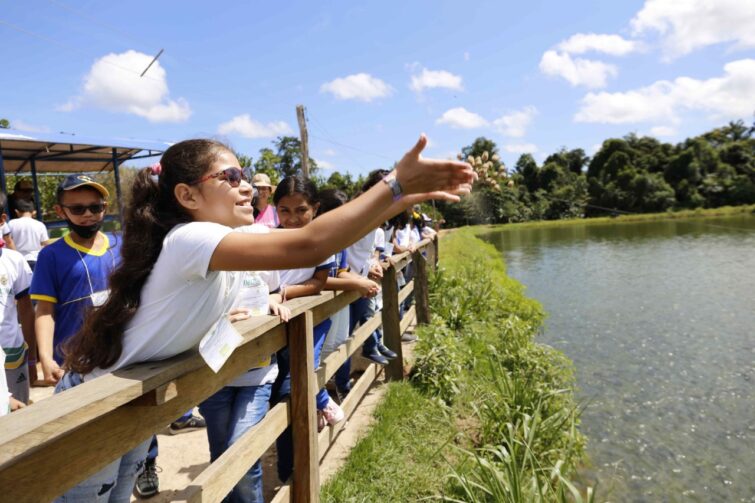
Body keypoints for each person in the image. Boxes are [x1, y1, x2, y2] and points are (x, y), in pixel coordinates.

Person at [56, 136, 473, 501]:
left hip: (126, 402)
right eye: (231, 177)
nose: (245, 187)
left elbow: (321, 231)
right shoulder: (191, 238)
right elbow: (308, 246)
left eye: (244, 175)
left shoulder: (220, 240)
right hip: (93, 406)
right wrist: (394, 184)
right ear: (188, 196)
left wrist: (397, 202)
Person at [198, 223, 291, 503]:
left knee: (242, 452)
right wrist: (218, 322)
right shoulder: (211, 272)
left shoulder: (265, 269)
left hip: (256, 377)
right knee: (221, 458)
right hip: (216, 380)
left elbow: (275, 290)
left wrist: (276, 300)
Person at [270, 176, 344, 482]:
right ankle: (290, 468)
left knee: (293, 384)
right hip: (278, 324)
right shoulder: (267, 238)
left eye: (301, 210)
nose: (292, 219)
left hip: (310, 320)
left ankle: (295, 469)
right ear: (275, 210)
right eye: (284, 211)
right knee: (281, 390)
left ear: (314, 208)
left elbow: (319, 283)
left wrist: (283, 293)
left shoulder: (322, 241)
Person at [30, 174, 120, 384]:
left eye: (95, 208)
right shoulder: (51, 255)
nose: (88, 214)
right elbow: (44, 310)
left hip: (121, 355)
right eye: (78, 209)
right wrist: (45, 357)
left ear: (104, 207)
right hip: (74, 362)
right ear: (60, 211)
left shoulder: (121, 245)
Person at [317, 189, 380, 399]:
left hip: (336, 301)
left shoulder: (340, 239)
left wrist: (359, 281)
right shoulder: (318, 238)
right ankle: (320, 400)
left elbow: (341, 271)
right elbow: (319, 280)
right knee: (319, 354)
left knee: (337, 346)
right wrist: (356, 283)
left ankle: (325, 396)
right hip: (318, 307)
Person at [0, 192, 36, 405]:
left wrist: (31, 358)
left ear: (2, 220)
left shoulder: (14, 261)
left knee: (19, 416)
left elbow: (26, 310)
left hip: (12, 353)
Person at [8, 198, 51, 270]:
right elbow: (46, 244)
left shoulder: (11, 224)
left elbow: (8, 241)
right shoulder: (40, 225)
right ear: (34, 212)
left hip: (18, 261)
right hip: (36, 259)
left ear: (16, 211)